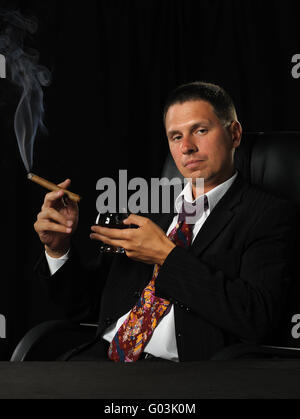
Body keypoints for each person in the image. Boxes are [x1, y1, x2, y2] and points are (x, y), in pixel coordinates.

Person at [34, 81, 296, 361]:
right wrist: (58, 250)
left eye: (200, 130)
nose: (187, 147)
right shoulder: (146, 208)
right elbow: (84, 305)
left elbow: (256, 318)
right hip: (103, 360)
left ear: (234, 134)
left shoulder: (268, 215)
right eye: (175, 136)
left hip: (185, 374)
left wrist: (166, 257)